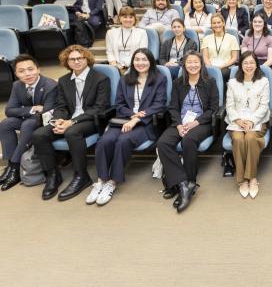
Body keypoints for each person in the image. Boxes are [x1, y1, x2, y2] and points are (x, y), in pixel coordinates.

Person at [88, 49, 167, 206]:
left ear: (150, 61)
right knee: (105, 141)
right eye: (137, 59)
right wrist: (131, 116)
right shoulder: (125, 79)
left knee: (123, 141)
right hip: (123, 119)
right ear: (132, 62)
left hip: (146, 122)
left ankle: (112, 182)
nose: (140, 63)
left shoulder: (159, 79)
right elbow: (119, 104)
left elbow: (159, 105)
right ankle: (101, 180)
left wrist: (137, 118)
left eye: (144, 59)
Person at [32, 45, 110, 201]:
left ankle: (82, 176)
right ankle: (53, 175)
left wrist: (71, 122)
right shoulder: (63, 80)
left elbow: (99, 108)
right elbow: (61, 106)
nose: (76, 61)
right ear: (67, 62)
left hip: (90, 120)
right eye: (72, 59)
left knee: (72, 131)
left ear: (87, 59)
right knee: (39, 134)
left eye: (80, 58)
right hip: (67, 120)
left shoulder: (100, 78)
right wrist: (59, 120)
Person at [157, 51, 219, 212]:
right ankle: (184, 184)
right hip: (180, 122)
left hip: (201, 123)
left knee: (188, 141)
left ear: (201, 64)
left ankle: (190, 180)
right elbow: (173, 107)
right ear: (184, 65)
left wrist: (196, 122)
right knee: (163, 143)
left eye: (196, 62)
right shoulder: (178, 82)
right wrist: (178, 124)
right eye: (189, 62)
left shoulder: (210, 82)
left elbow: (213, 108)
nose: (192, 65)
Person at [0, 55, 57, 191]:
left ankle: (14, 167)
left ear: (38, 69)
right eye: (22, 71)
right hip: (29, 117)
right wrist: (32, 108)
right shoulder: (17, 85)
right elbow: (9, 110)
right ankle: (10, 165)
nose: (27, 74)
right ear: (16, 74)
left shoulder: (50, 86)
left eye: (30, 69)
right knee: (5, 124)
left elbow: (47, 111)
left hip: (46, 121)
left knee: (27, 124)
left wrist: (22, 111)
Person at [225, 51, 271, 198]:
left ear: (257, 64)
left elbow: (264, 106)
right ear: (240, 65)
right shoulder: (232, 83)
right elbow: (229, 106)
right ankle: (242, 180)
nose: (249, 66)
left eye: (252, 62)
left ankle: (251, 178)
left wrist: (252, 120)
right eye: (245, 63)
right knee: (238, 139)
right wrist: (238, 120)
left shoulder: (263, 81)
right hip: (237, 121)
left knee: (250, 138)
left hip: (257, 121)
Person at [106, 7, 148, 74]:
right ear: (120, 18)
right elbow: (110, 52)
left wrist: (133, 66)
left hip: (136, 66)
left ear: (134, 19)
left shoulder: (142, 33)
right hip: (116, 66)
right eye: (125, 17)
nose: (128, 20)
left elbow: (142, 53)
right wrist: (114, 64)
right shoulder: (110, 33)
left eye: (131, 17)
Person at [201, 14, 240, 82]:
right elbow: (205, 57)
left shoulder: (232, 38)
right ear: (211, 25)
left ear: (223, 23)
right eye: (214, 23)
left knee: (220, 74)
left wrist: (221, 67)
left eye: (219, 22)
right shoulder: (206, 38)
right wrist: (212, 68)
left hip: (226, 67)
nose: (216, 25)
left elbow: (234, 58)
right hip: (210, 66)